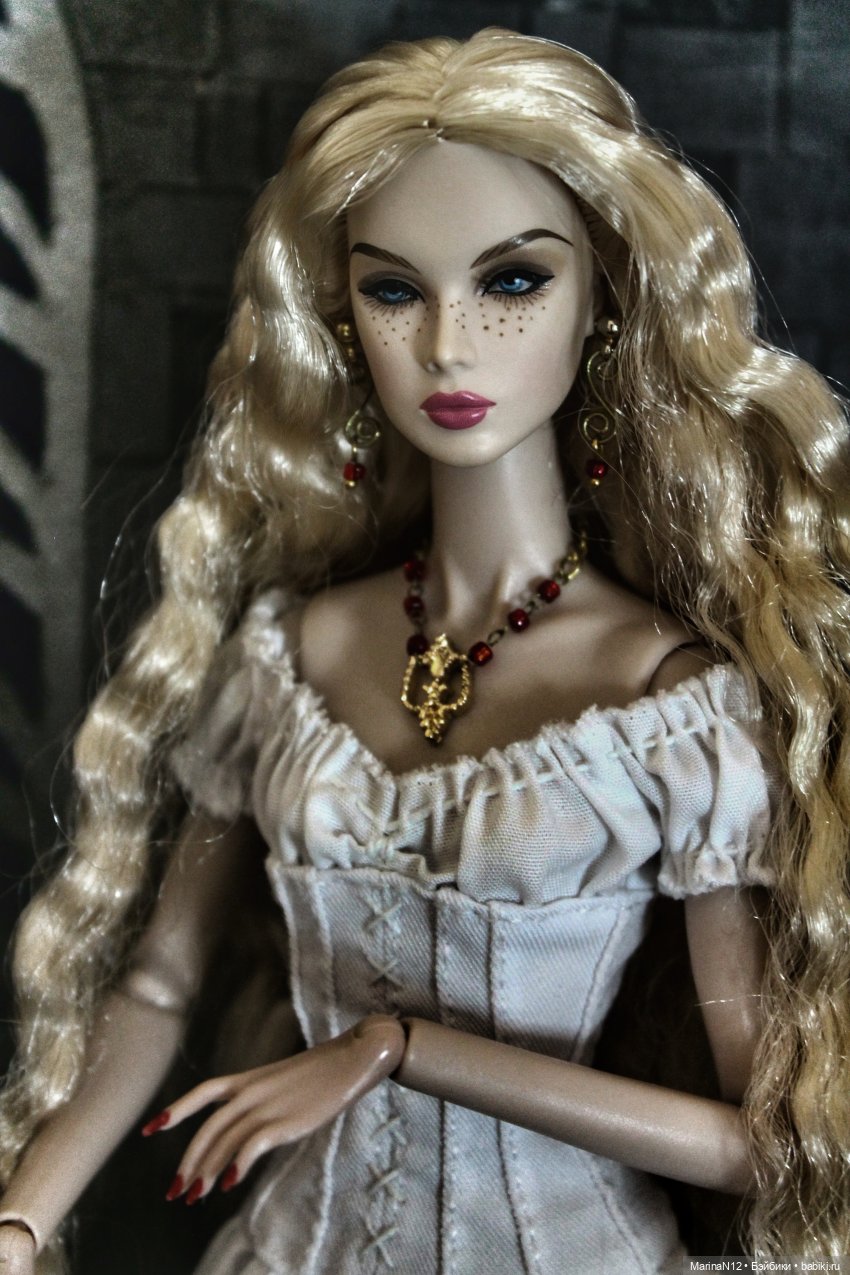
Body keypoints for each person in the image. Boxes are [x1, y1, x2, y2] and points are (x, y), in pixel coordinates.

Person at [0, 28, 848, 1273]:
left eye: (512, 281)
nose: (449, 345)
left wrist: (399, 1049)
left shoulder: (669, 706)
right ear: (343, 318)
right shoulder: (288, 657)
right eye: (394, 291)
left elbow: (763, 1143)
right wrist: (22, 1218)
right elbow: (157, 988)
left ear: (602, 301)